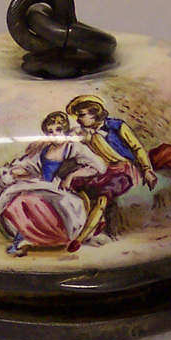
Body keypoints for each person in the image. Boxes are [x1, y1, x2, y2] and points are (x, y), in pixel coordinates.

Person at [0, 112, 106, 255]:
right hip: (40, 185)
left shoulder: (73, 147)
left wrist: (71, 176)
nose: (54, 134)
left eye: (58, 130)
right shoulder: (44, 149)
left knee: (28, 200)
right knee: (16, 200)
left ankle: (45, 237)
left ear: (65, 130)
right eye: (50, 132)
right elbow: (29, 167)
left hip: (59, 191)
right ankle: (27, 236)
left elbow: (99, 166)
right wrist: (10, 172)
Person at [65, 95, 158, 251]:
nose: (79, 120)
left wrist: (147, 169)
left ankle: (80, 239)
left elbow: (137, 148)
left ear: (94, 113)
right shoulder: (84, 133)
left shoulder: (117, 126)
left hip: (124, 169)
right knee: (77, 186)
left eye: (82, 115)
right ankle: (96, 222)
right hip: (103, 170)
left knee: (103, 197)